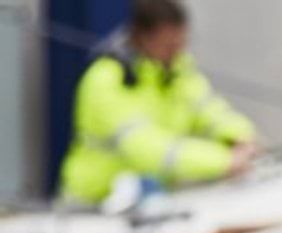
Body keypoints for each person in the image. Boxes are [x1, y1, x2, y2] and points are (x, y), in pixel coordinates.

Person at [59, 0, 257, 208]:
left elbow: (208, 108)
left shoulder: (176, 69)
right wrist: (223, 162)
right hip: (92, 209)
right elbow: (145, 148)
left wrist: (241, 136)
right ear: (143, 38)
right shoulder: (106, 79)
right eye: (169, 45)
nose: (177, 51)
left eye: (181, 42)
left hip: (149, 202)